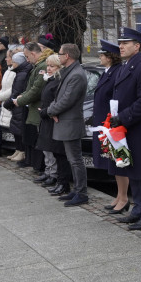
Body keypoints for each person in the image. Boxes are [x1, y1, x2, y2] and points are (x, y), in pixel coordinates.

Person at [111, 27, 141, 231]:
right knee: (132, 169)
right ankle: (138, 210)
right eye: (120, 43)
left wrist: (123, 117)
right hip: (125, 129)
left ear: (137, 46)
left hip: (138, 129)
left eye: (125, 43)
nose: (120, 46)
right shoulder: (125, 66)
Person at [45, 43, 89, 207]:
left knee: (75, 160)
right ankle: (77, 190)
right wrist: (54, 110)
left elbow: (67, 100)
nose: (59, 55)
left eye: (60, 53)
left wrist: (51, 110)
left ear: (67, 56)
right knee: (72, 159)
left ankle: (81, 192)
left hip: (71, 123)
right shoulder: (70, 72)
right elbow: (61, 97)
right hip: (65, 121)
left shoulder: (76, 74)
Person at [90, 41, 129, 214]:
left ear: (110, 57)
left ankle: (124, 197)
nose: (99, 57)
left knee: (119, 161)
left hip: (111, 123)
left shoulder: (116, 72)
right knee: (112, 162)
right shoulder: (107, 72)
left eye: (102, 55)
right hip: (104, 123)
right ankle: (120, 196)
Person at [37, 54, 74, 197]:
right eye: (48, 66)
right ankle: (58, 180)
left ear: (59, 67)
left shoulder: (59, 80)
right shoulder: (50, 80)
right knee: (54, 152)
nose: (49, 68)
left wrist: (48, 110)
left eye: (52, 66)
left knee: (60, 153)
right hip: (48, 117)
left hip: (55, 119)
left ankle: (63, 182)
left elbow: (58, 100)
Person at [13, 42, 51, 176]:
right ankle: (44, 170)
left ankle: (45, 170)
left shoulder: (42, 66)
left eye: (27, 56)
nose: (27, 60)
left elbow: (36, 90)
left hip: (39, 108)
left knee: (41, 142)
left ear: (33, 54)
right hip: (34, 108)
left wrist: (20, 100)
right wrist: (21, 97)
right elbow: (30, 88)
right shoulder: (37, 66)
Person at [0, 52, 32, 164]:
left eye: (14, 62)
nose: (12, 63)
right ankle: (18, 150)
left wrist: (8, 103)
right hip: (16, 104)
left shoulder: (21, 74)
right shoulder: (19, 73)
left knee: (19, 129)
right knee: (16, 128)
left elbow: (16, 91)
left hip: (18, 104)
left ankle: (21, 151)